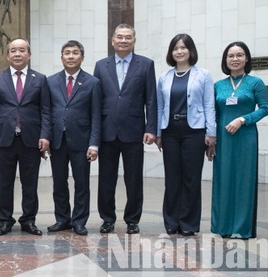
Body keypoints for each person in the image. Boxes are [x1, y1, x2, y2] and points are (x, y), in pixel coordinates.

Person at [93, 23, 157, 235]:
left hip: (134, 130)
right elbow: (95, 100)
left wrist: (151, 128)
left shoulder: (146, 65)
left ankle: (132, 219)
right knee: (106, 178)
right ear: (112, 40)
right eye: (119, 37)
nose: (123, 40)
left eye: (127, 37)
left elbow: (151, 98)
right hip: (107, 130)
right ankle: (107, 219)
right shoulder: (101, 65)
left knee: (134, 178)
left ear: (134, 41)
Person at [0, 38, 50, 237]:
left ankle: (28, 220)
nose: (17, 54)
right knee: (4, 183)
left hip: (31, 139)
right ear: (7, 55)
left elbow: (46, 110)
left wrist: (45, 136)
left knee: (29, 183)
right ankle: (5, 220)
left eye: (22, 50)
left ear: (29, 55)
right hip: (4, 139)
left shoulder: (40, 79)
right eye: (13, 50)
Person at [155, 34, 215, 236]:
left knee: (191, 178)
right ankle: (171, 222)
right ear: (171, 53)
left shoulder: (203, 75)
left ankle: (188, 224)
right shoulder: (164, 77)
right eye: (175, 48)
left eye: (183, 47)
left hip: (194, 132)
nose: (179, 51)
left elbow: (209, 104)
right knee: (172, 178)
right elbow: (159, 106)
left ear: (191, 50)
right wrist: (158, 134)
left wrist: (211, 132)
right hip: (170, 132)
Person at [211, 41, 268, 239]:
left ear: (246, 58)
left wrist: (243, 119)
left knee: (244, 180)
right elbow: (214, 114)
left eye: (239, 55)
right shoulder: (218, 85)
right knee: (223, 179)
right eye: (231, 56)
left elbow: (264, 108)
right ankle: (223, 226)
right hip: (223, 138)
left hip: (246, 137)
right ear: (225, 60)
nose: (235, 59)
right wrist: (211, 140)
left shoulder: (255, 83)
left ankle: (241, 228)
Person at [46, 40, 101, 236]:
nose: (70, 56)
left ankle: (79, 221)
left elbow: (96, 115)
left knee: (82, 183)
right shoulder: (50, 81)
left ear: (82, 57)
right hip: (57, 141)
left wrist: (94, 143)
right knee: (59, 182)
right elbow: (46, 112)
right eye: (67, 53)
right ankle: (62, 219)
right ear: (61, 58)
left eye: (75, 53)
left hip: (82, 141)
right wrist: (46, 138)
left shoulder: (93, 83)